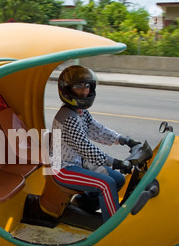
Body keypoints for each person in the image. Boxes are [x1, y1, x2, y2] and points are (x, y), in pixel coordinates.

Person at [51, 65, 140, 223]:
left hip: (78, 163)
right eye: (78, 86)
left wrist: (124, 140)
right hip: (63, 169)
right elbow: (85, 147)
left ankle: (82, 206)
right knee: (106, 184)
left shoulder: (80, 111)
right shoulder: (67, 116)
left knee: (119, 179)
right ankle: (112, 228)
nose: (85, 91)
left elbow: (97, 129)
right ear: (67, 90)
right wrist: (115, 162)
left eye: (87, 86)